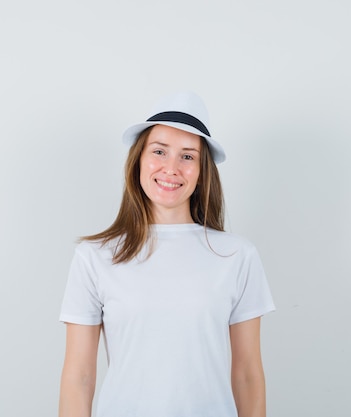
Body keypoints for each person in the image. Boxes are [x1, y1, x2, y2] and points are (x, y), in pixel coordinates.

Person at [58, 91, 275, 417]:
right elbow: (79, 377)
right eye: (159, 151)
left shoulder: (237, 256)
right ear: (139, 160)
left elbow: (247, 375)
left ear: (202, 172)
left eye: (188, 156)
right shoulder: (95, 257)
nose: (171, 168)